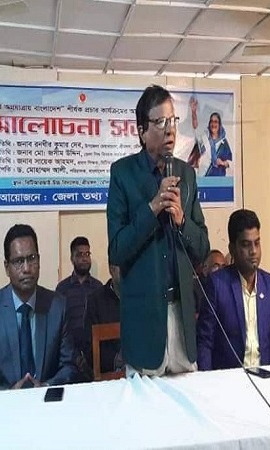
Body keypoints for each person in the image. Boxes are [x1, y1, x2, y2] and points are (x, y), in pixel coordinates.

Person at [107, 84, 210, 376]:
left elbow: (203, 248)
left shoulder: (186, 174)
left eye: (173, 120)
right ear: (142, 131)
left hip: (182, 321)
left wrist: (181, 221)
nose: (170, 130)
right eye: (160, 122)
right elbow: (117, 250)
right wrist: (153, 208)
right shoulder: (123, 174)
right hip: (144, 327)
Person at [0, 224, 77, 391]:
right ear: (7, 267)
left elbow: (69, 366)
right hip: (4, 403)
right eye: (18, 261)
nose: (26, 269)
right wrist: (10, 394)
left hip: (45, 401)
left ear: (39, 260)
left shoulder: (58, 306)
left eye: (32, 258)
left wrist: (45, 386)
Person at [197, 209, 270, 370]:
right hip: (228, 378)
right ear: (232, 249)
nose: (253, 251)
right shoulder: (217, 285)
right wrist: (207, 380)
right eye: (246, 245)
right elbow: (205, 342)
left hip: (265, 377)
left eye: (257, 243)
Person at [55, 236, 102, 376]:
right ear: (72, 258)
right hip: (69, 358)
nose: (84, 258)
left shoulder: (98, 287)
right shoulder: (62, 289)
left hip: (96, 356)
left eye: (87, 254)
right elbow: (58, 326)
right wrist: (74, 356)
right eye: (80, 255)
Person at [83, 264, 123, 376]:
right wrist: (115, 360)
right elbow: (89, 346)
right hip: (108, 375)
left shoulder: (141, 297)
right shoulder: (95, 300)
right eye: (123, 266)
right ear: (111, 269)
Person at [187, 96, 232, 177]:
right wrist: (193, 112)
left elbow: (231, 163)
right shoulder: (204, 138)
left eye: (216, 122)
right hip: (203, 178)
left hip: (218, 179)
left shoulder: (223, 143)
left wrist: (222, 163)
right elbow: (196, 128)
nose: (213, 124)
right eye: (211, 121)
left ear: (219, 124)